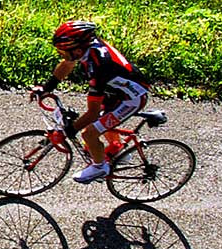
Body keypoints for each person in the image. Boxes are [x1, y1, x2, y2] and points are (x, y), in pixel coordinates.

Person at [30, 20, 153, 184]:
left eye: (64, 51)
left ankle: (100, 167)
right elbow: (68, 64)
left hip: (131, 99)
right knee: (101, 123)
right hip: (115, 91)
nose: (62, 55)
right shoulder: (86, 48)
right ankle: (118, 151)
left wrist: (70, 130)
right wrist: (47, 87)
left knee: (89, 133)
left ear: (78, 49)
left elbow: (92, 113)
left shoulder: (99, 67)